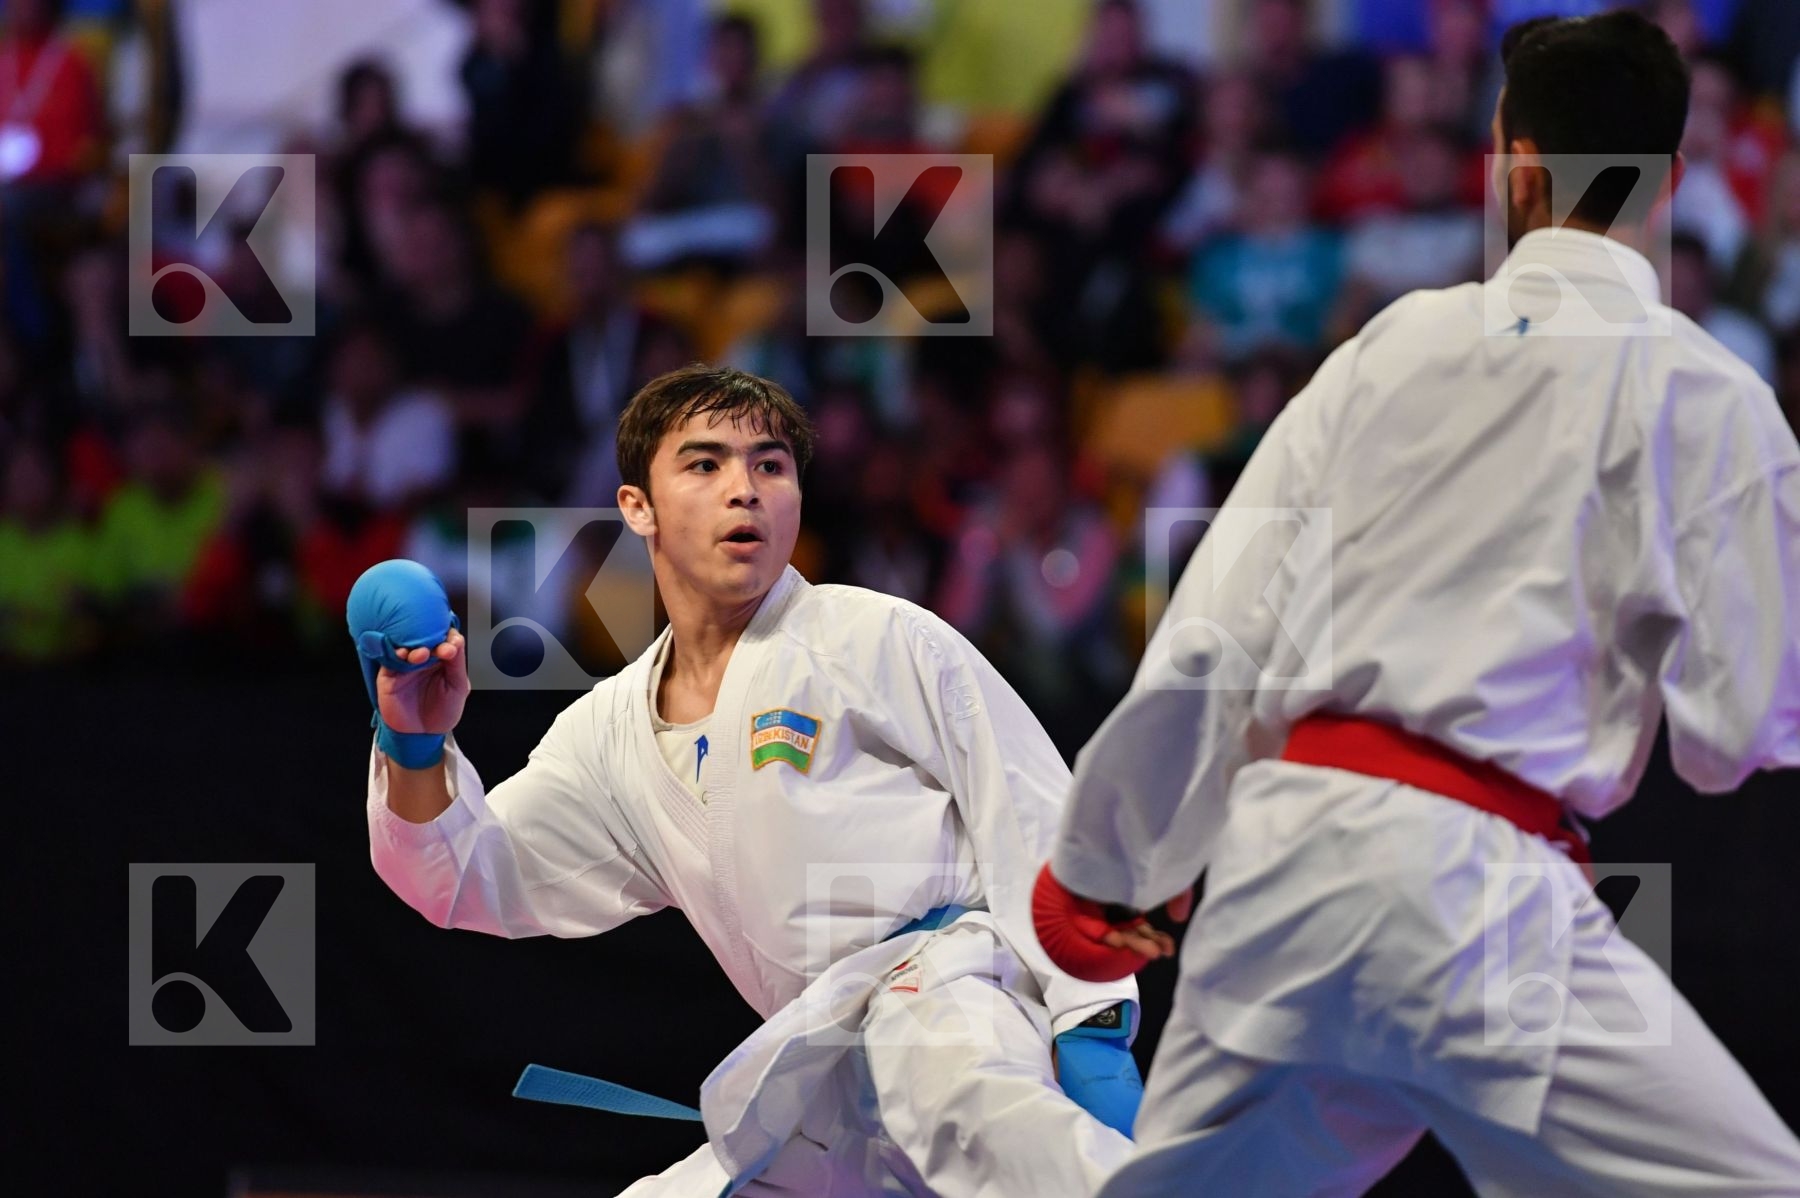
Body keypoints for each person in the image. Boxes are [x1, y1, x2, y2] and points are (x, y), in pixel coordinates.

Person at [1033, 12, 1800, 1195]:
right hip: (1481, 893)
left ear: (1516, 168)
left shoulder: (1391, 345)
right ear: (1676, 181)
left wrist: (1108, 854)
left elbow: (1217, 630)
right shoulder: (1714, 397)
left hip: (1286, 875)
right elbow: (1735, 734)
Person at [351, 365, 1144, 1196]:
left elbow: (1039, 812)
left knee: (983, 1116)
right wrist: (411, 741)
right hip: (816, 1072)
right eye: (706, 465)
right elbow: (465, 873)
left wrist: (1091, 1026)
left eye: (770, 466)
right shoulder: (609, 734)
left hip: (945, 995)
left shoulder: (871, 635)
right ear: (637, 508)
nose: (746, 490)